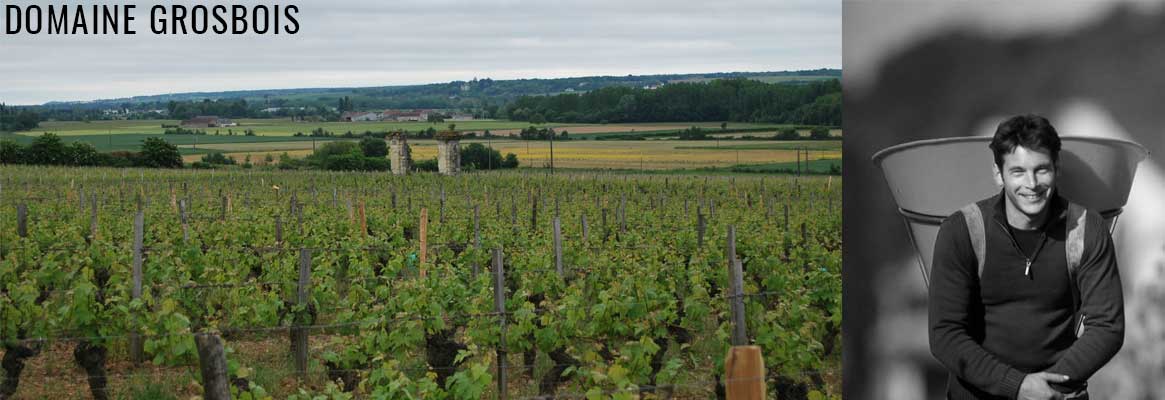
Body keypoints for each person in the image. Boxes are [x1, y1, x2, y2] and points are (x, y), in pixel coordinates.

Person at [928, 114, 1124, 400]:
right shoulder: (962, 230)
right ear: (998, 174)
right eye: (1018, 171)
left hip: (1058, 395)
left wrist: (1048, 390)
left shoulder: (1086, 228)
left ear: (1056, 168)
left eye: (1041, 170)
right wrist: (1017, 386)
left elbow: (1108, 327)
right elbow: (945, 334)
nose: (1031, 184)